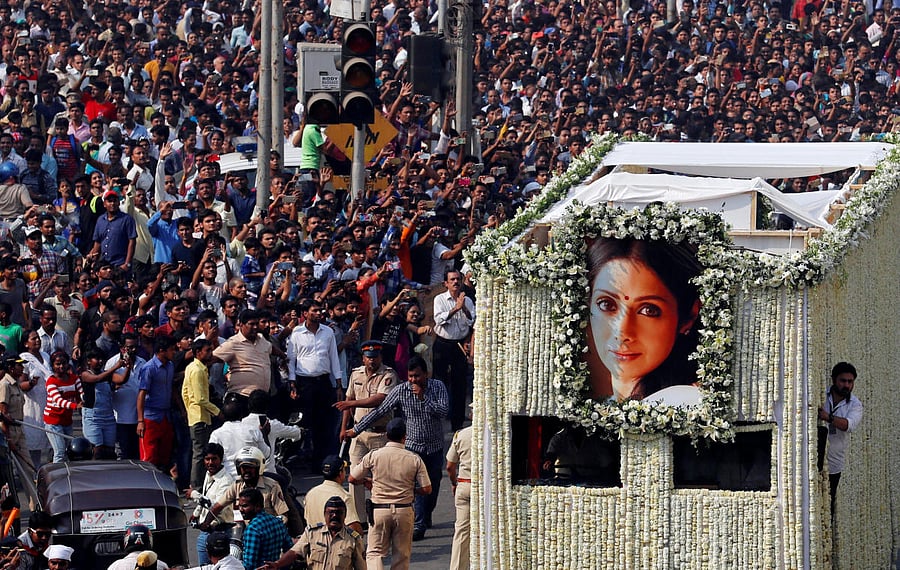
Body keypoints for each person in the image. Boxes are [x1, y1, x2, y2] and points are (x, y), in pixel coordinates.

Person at [585, 237, 702, 405]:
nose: (622, 331)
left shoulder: (685, 405)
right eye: (606, 304)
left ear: (689, 317)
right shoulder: (611, 407)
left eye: (649, 310)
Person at [345, 356, 447, 541]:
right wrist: (356, 429)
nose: (413, 380)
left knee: (432, 485)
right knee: (415, 485)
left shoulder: (438, 387)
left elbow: (443, 411)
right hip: (412, 446)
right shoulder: (401, 390)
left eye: (417, 376)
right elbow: (381, 410)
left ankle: (426, 515)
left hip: (434, 446)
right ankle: (418, 524)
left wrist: (424, 399)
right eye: (410, 376)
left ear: (425, 374)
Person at [349, 418, 431, 570]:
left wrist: (369, 481)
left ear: (387, 435)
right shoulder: (414, 459)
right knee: (401, 555)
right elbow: (427, 489)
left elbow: (352, 478)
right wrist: (411, 490)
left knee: (375, 553)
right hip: (404, 510)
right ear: (405, 436)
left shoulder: (374, 456)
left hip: (379, 510)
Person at [336, 339, 398, 521]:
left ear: (380, 357)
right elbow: (346, 404)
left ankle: (381, 514)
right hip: (358, 433)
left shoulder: (388, 375)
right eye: (369, 357)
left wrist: (352, 403)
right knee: (355, 477)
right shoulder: (356, 374)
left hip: (380, 433)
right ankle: (359, 518)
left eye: (375, 357)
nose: (372, 361)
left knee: (381, 477)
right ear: (363, 358)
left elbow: (379, 399)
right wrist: (343, 428)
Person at [286, 299, 342, 465]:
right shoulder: (296, 333)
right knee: (305, 422)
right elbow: (291, 360)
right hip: (304, 383)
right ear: (305, 314)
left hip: (323, 382)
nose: (319, 313)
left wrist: (338, 384)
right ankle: (303, 459)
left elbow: (334, 358)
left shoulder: (327, 332)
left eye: (320, 310)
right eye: (315, 311)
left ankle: (322, 460)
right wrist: (292, 383)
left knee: (324, 422)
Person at [259, 496, 366, 570]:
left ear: (345, 515)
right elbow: (295, 552)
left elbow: (360, 567)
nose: (334, 516)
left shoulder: (354, 539)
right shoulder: (312, 533)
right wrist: (277, 564)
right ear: (325, 514)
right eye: (331, 512)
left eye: (339, 512)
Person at [431, 269, 474, 431]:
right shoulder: (439, 299)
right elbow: (439, 319)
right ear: (446, 283)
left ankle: (457, 424)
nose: (456, 282)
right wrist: (455, 309)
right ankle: (436, 420)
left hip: (459, 345)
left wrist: (463, 308)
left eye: (458, 279)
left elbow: (472, 321)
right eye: (452, 280)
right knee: (439, 382)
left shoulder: (467, 300)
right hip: (443, 343)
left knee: (460, 384)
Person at [818, 361, 864, 512]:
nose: (847, 385)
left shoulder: (855, 405)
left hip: (833, 465)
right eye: (843, 381)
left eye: (850, 382)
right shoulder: (820, 395)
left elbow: (848, 425)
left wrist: (828, 417)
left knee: (827, 507)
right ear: (834, 380)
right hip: (811, 461)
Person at [210, 446, 288, 522]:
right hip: (245, 532)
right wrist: (206, 523)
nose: (246, 471)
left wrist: (270, 527)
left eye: (250, 467)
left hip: (267, 531)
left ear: (258, 468)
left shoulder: (272, 487)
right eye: (243, 467)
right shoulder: (237, 485)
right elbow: (218, 506)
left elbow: (283, 516)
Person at [186, 443, 234, 565]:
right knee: (203, 567)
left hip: (220, 531)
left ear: (221, 459)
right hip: (205, 531)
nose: (210, 462)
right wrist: (196, 513)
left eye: (214, 459)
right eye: (207, 459)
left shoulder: (226, 481)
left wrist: (194, 495)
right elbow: (206, 494)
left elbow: (216, 506)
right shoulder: (209, 474)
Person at [183, 338, 222, 489]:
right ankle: (196, 486)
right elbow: (200, 399)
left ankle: (198, 485)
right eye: (208, 351)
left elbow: (185, 392)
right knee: (200, 454)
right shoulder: (197, 370)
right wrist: (217, 412)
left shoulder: (193, 367)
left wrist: (189, 409)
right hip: (200, 417)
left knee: (199, 452)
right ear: (198, 353)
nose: (210, 353)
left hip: (197, 415)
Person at [137, 336, 177, 472]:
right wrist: (140, 420)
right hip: (151, 418)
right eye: (172, 350)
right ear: (161, 351)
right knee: (149, 457)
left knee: (164, 456)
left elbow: (172, 388)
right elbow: (141, 395)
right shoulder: (149, 368)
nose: (174, 352)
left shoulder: (170, 366)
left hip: (165, 416)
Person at [212, 310, 272, 397]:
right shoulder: (233, 343)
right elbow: (212, 358)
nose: (255, 327)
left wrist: (283, 356)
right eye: (251, 324)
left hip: (262, 398)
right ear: (241, 325)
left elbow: (271, 349)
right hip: (242, 396)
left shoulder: (261, 339)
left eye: (256, 324)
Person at [304, 455, 362, 534]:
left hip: (314, 541)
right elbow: (354, 529)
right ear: (340, 473)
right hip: (336, 543)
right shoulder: (344, 496)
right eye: (344, 470)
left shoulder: (310, 493)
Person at [236, 488, 292, 570]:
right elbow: (289, 549)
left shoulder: (252, 529)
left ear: (257, 506)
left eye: (245, 506)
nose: (240, 510)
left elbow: (249, 565)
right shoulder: (277, 521)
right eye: (239, 506)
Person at [43, 351, 83, 462]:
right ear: (52, 366)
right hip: (53, 421)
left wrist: (84, 400)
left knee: (68, 451)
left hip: (67, 420)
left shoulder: (74, 378)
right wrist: (76, 406)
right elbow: (59, 401)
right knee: (60, 452)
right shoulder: (51, 381)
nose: (61, 366)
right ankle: (57, 477)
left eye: (64, 363)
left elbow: (81, 393)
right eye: (58, 364)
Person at [446, 422, 473, 570]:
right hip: (484, 488)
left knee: (461, 531)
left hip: (464, 484)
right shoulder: (493, 433)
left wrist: (454, 482)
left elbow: (450, 466)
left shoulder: (461, 434)